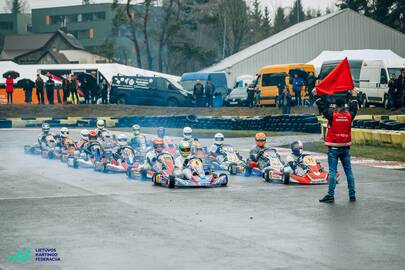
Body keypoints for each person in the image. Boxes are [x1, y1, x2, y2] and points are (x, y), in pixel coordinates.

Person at [317, 96, 358, 203]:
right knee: (349, 172)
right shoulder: (349, 116)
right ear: (344, 106)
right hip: (345, 148)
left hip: (334, 149)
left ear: (336, 105)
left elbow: (323, 107)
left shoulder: (332, 116)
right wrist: (354, 97)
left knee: (332, 172)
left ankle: (330, 195)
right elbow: (354, 109)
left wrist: (318, 95)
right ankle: (352, 194)